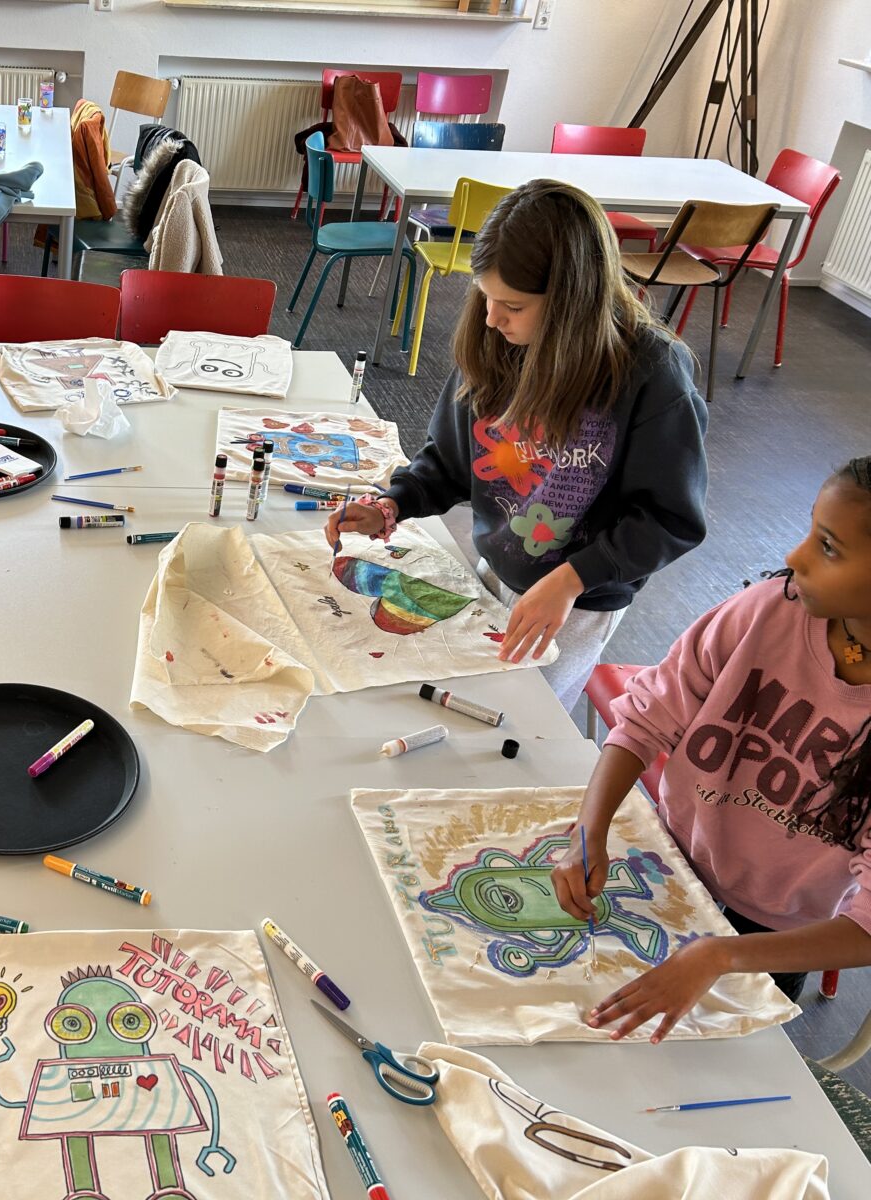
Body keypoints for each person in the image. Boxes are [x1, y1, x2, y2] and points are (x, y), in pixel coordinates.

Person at [327, 179, 709, 710]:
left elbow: (669, 519)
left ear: (573, 304)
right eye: (485, 296)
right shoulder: (495, 341)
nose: (491, 317)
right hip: (499, 565)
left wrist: (572, 579)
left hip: (578, 598)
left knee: (521, 721)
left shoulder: (651, 373)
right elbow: (450, 461)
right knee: (462, 703)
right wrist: (394, 502)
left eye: (512, 304)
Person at [551, 459, 871, 1042]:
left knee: (705, 1064)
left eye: (828, 547)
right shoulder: (769, 609)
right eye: (811, 532)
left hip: (773, 936)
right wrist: (588, 831)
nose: (796, 556)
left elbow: (866, 927)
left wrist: (722, 955)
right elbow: (646, 719)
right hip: (671, 861)